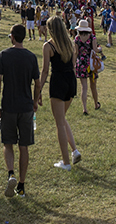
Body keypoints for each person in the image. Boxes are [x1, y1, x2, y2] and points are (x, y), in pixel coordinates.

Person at [0, 23, 39, 199]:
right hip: (26, 106)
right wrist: (35, 101)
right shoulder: (31, 57)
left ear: (12, 37)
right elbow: (37, 82)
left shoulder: (4, 55)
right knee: (24, 146)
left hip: (9, 106)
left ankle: (11, 173)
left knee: (8, 143)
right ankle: (21, 185)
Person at [37, 15, 80, 170]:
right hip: (71, 82)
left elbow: (45, 71)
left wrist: (39, 89)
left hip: (58, 83)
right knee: (62, 119)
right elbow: (73, 64)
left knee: (59, 123)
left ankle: (66, 162)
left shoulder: (48, 46)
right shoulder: (70, 43)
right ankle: (74, 151)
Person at [75, 20, 100, 114]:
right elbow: (95, 49)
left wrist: (74, 64)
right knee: (93, 86)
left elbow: (76, 52)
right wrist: (100, 49)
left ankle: (84, 108)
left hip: (81, 63)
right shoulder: (92, 37)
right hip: (91, 64)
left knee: (83, 87)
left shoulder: (77, 38)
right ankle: (95, 104)